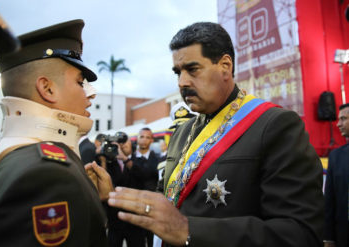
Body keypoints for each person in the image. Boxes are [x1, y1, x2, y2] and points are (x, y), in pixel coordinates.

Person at [100, 22, 324, 247]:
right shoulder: (182, 132)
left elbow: (299, 234)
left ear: (225, 66)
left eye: (192, 69)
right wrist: (113, 197)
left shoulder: (274, 126)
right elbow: (168, 201)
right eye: (178, 72)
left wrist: (189, 230)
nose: (182, 82)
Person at [0, 19, 113, 246]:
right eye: (80, 83)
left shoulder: (13, 155)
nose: (90, 96)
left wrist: (91, 198)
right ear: (47, 89)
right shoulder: (49, 174)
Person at [103, 132, 146, 247]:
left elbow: (142, 175)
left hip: (135, 218)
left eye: (124, 142)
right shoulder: (109, 162)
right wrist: (103, 156)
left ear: (131, 143)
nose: (121, 145)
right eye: (118, 143)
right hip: (114, 218)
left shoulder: (139, 159)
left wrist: (124, 158)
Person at [324, 103, 349, 247]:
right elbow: (329, 200)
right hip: (343, 236)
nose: (338, 124)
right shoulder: (336, 157)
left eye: (344, 119)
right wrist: (328, 238)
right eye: (339, 119)